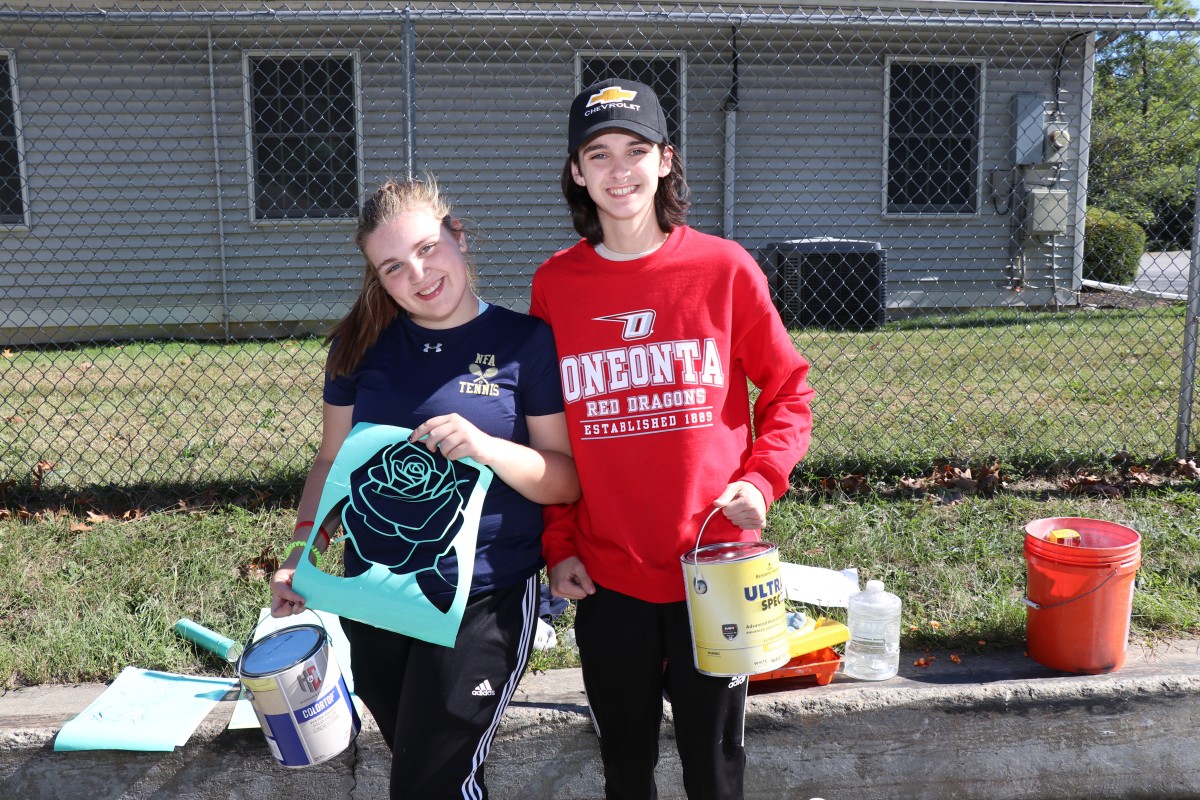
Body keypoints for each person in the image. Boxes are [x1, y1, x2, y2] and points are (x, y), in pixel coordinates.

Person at [530, 79, 815, 800]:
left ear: (665, 161)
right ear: (576, 171)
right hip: (609, 574)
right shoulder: (556, 287)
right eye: (599, 154)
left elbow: (788, 391)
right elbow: (548, 432)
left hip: (715, 568)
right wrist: (559, 545)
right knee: (626, 769)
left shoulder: (723, 270)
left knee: (715, 771)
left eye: (635, 151)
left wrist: (762, 478)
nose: (618, 171)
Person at [270, 176, 579, 800]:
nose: (418, 273)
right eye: (392, 266)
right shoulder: (358, 347)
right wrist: (303, 552)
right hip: (376, 594)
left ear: (458, 237)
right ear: (377, 278)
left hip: (484, 600)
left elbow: (565, 481)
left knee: (429, 783)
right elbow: (331, 458)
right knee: (432, 768)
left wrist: (489, 448)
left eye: (428, 248)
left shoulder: (526, 343)